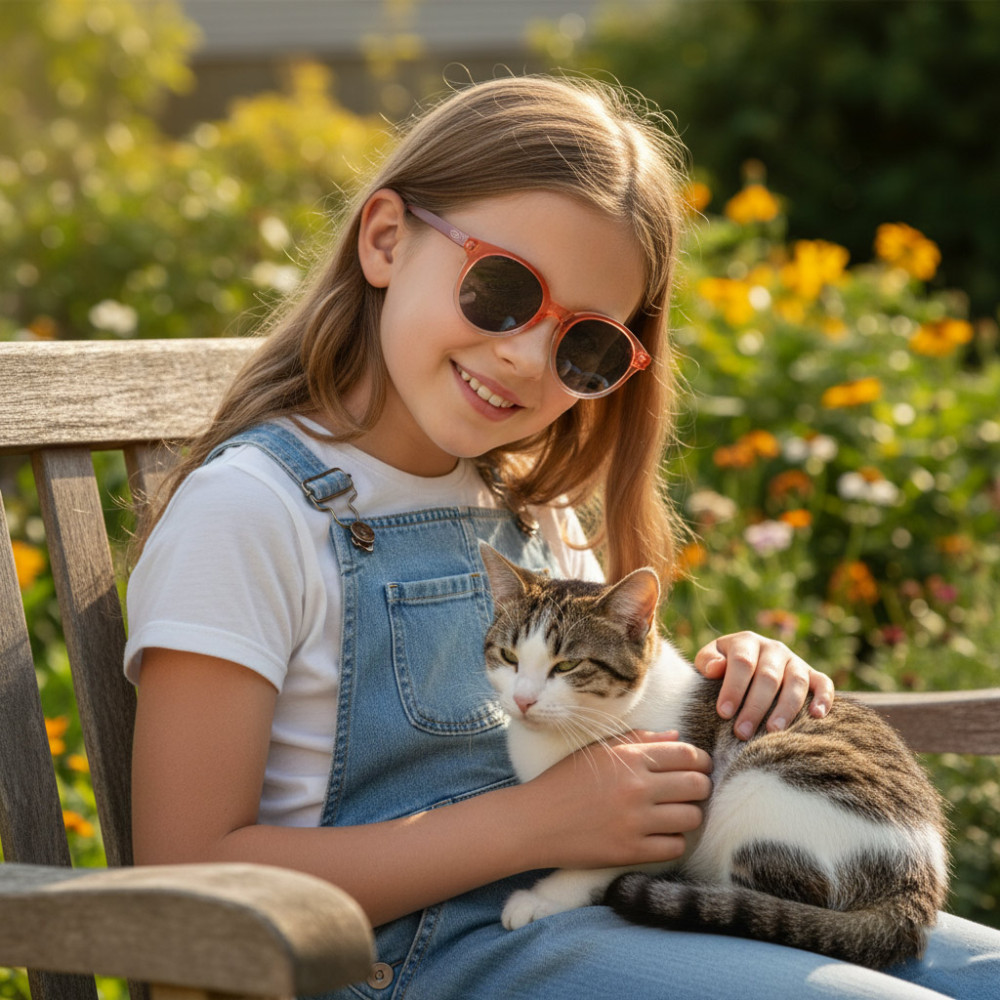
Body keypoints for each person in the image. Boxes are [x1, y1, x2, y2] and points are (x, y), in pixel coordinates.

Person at [126, 75, 999, 999]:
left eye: (586, 345)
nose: (527, 358)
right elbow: (184, 886)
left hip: (577, 917)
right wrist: (534, 826)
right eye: (503, 290)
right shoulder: (253, 512)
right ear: (385, 240)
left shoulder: (528, 508)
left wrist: (721, 691)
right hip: (398, 968)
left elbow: (607, 726)